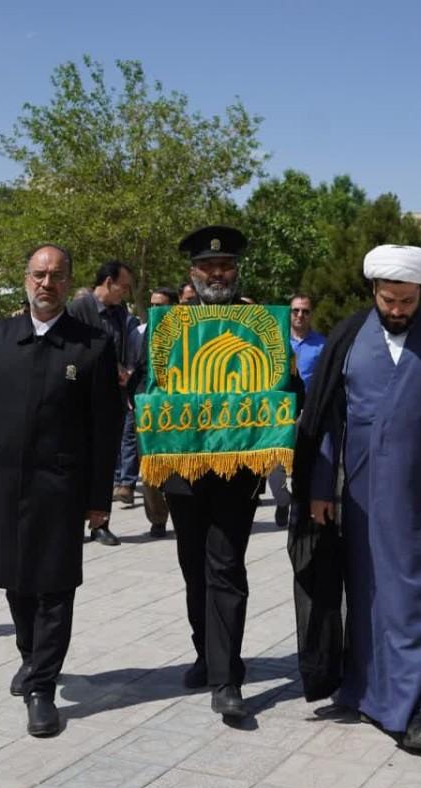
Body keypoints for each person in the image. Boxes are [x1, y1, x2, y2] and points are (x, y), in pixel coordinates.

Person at [295, 244, 421, 750]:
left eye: (408, 301)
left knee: (420, 600)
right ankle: (368, 691)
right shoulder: (347, 336)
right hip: (362, 496)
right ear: (374, 293)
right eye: (389, 300)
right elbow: (325, 419)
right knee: (371, 598)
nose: (399, 310)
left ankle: (418, 708)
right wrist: (319, 488)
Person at [0, 244, 120, 736]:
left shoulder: (91, 344)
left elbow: (104, 429)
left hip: (61, 487)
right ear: (26, 278)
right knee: (15, 582)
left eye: (57, 276)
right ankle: (31, 657)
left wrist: (98, 499)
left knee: (54, 586)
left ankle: (42, 688)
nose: (47, 283)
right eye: (39, 274)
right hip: (2, 482)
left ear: (69, 283)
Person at [140, 225, 271, 719]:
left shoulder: (258, 321)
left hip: (239, 469)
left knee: (225, 566)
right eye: (208, 267)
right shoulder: (168, 325)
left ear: (236, 271)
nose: (218, 273)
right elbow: (147, 387)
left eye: (226, 266)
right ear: (192, 273)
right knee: (194, 566)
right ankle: (205, 651)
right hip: (183, 471)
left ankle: (226, 676)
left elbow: (284, 388)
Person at [67, 261, 137, 543]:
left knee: (105, 462)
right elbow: (69, 355)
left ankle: (100, 522)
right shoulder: (77, 309)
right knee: (76, 462)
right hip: (80, 399)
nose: (127, 292)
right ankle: (72, 522)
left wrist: (126, 370)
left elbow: (123, 350)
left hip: (112, 399)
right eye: (124, 285)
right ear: (109, 282)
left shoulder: (121, 312)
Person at [268, 293, 327, 527]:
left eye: (305, 311)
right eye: (296, 311)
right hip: (279, 414)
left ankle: (301, 506)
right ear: (289, 313)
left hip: (308, 414)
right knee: (274, 468)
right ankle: (283, 500)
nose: (300, 315)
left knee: (305, 465)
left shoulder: (322, 345)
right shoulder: (276, 345)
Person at [135, 287, 178, 538]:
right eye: (152, 305)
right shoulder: (149, 331)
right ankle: (157, 517)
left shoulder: (187, 330)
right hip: (149, 406)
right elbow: (141, 366)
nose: (155, 310)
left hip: (177, 409)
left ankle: (180, 509)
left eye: (160, 305)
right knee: (149, 465)